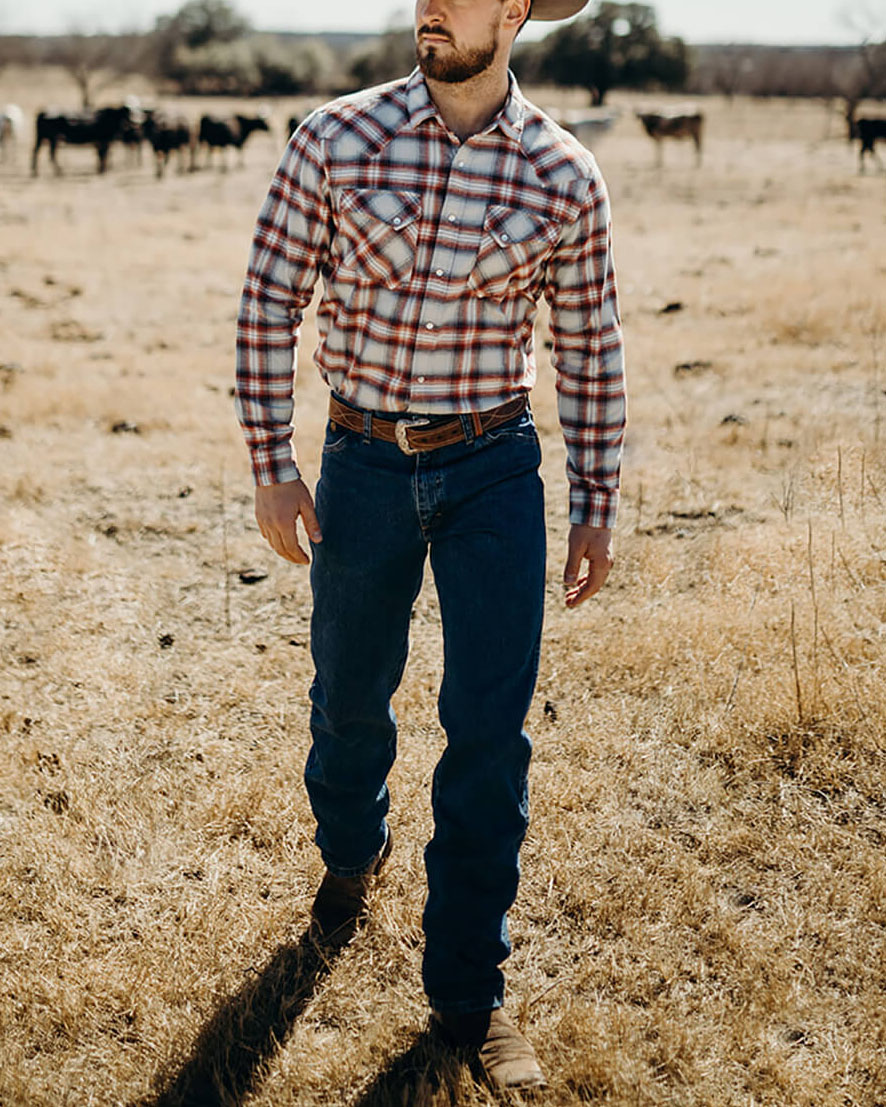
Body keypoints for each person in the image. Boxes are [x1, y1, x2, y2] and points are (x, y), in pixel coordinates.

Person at [235, 0, 625, 1091]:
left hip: (494, 467)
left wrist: (595, 500)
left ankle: (468, 992)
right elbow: (269, 300)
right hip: (359, 464)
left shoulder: (563, 173)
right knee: (348, 699)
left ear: (515, 10)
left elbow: (590, 346)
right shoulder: (335, 136)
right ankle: (351, 852)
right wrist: (272, 462)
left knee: (489, 735)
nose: (431, 6)